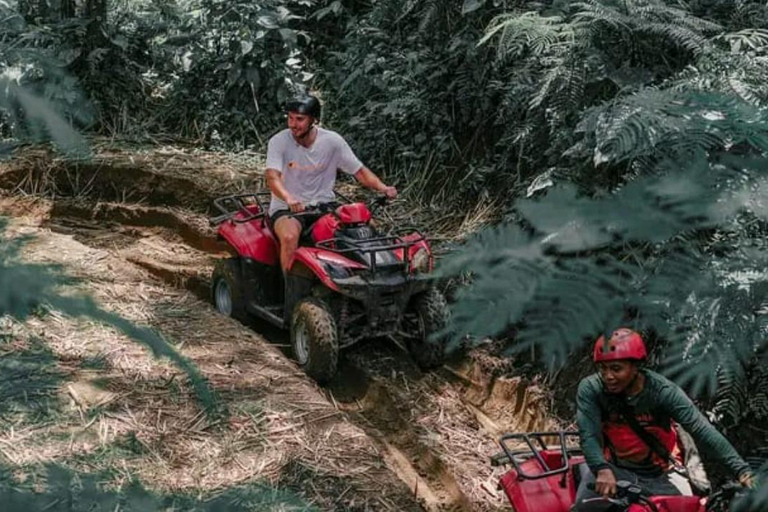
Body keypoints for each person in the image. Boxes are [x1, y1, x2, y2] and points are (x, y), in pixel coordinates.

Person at [573, 328, 754, 509]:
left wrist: (742, 471)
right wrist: (601, 468)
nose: (608, 376)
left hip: (662, 473)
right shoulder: (591, 389)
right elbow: (589, 435)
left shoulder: (663, 392)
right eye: (603, 369)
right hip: (614, 468)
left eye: (616, 369)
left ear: (636, 366)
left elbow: (701, 429)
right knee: (583, 507)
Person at [265, 94, 397, 271]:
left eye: (299, 119)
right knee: (289, 237)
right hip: (287, 208)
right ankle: (290, 290)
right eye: (290, 118)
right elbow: (272, 177)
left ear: (314, 119)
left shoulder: (332, 141)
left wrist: (383, 188)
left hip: (324, 205)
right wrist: (288, 198)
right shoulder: (278, 142)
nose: (293, 124)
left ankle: (377, 272)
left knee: (366, 226)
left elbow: (359, 171)